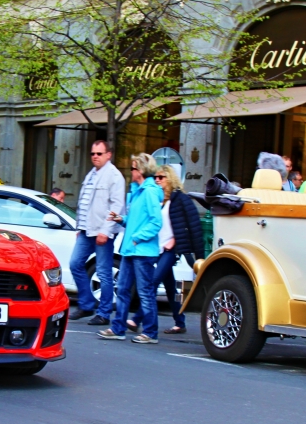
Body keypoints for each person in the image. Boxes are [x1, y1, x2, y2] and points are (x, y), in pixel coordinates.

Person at [127, 165, 205, 336]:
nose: (157, 180)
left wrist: (179, 243)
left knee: (153, 282)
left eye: (161, 177)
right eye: (155, 177)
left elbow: (192, 225)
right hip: (158, 248)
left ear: (170, 178)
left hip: (171, 249)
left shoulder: (181, 199)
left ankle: (136, 319)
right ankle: (180, 322)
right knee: (170, 287)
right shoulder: (159, 199)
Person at [97, 153, 163, 344]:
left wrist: (137, 238)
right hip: (131, 250)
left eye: (133, 168)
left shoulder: (149, 192)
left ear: (141, 170)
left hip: (142, 251)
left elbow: (155, 222)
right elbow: (137, 221)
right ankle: (118, 328)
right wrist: (121, 219)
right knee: (123, 289)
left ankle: (151, 333)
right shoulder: (138, 191)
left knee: (145, 292)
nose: (131, 171)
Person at [68, 140, 126, 325]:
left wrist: (106, 231)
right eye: (93, 153)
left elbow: (117, 206)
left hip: (102, 231)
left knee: (103, 272)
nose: (95, 156)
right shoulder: (91, 174)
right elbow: (84, 203)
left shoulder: (115, 176)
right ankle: (86, 304)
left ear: (108, 155)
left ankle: (104, 313)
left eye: (99, 154)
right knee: (75, 264)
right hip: (86, 229)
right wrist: (80, 226)